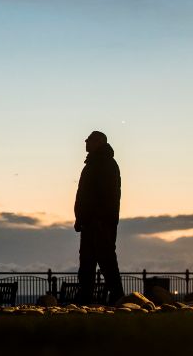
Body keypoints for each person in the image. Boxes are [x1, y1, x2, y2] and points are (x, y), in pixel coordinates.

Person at [73, 130, 125, 305]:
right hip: (90, 223)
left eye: (89, 140)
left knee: (106, 262)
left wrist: (99, 219)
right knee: (87, 265)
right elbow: (85, 195)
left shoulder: (105, 164)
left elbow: (108, 195)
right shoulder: (94, 164)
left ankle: (118, 299)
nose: (86, 142)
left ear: (99, 142)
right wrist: (81, 219)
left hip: (100, 223)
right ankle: (86, 300)